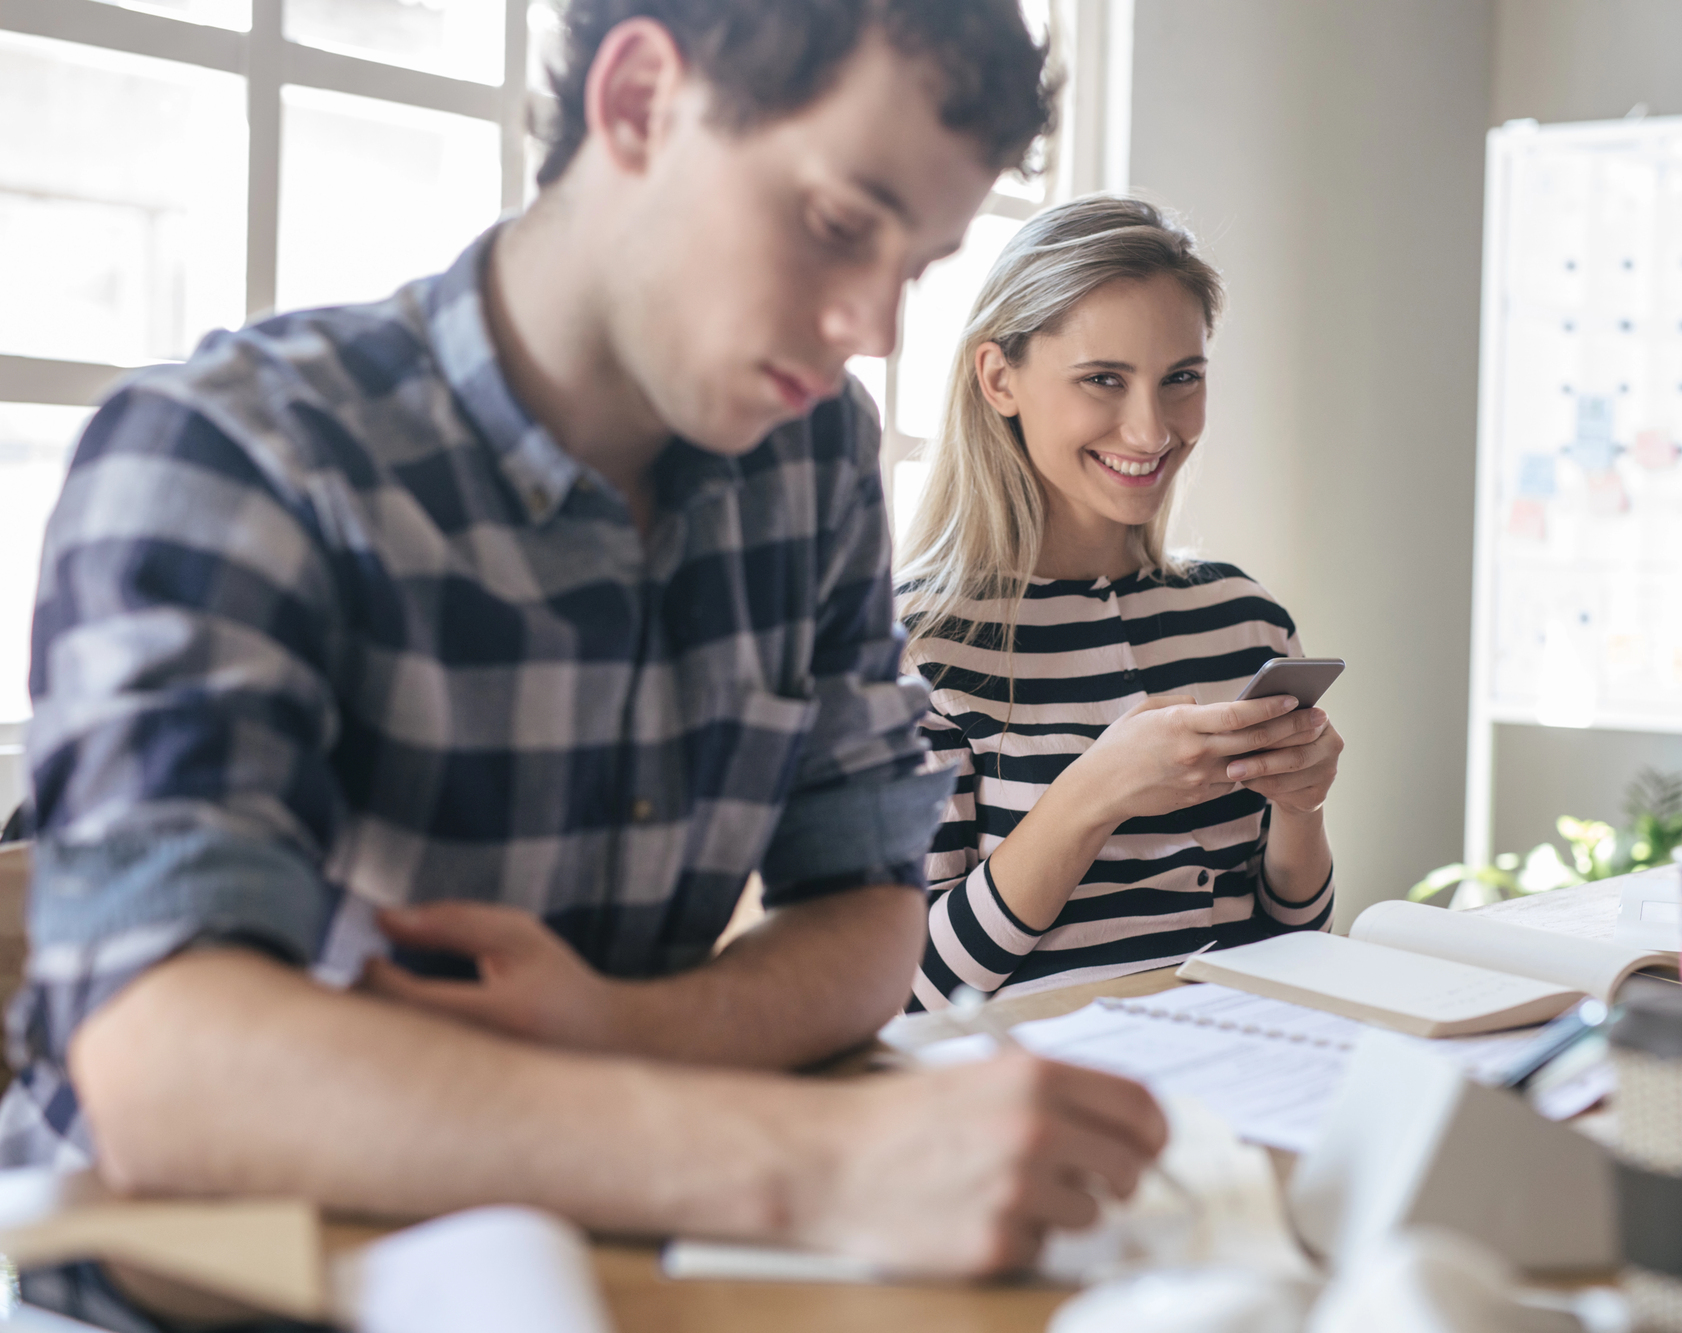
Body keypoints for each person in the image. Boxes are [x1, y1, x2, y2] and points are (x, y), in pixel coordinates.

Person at [5, 0, 1165, 1283]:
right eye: (839, 224)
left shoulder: (812, 456)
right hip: (205, 1290)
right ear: (636, 104)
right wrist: (809, 1164)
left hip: (605, 1264)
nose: (873, 327)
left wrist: (623, 1023)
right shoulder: (231, 455)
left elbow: (868, 911)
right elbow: (170, 1076)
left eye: (917, 264)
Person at [898, 197, 1343, 1011]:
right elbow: (909, 989)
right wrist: (1095, 790)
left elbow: (1295, 936)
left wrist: (1301, 807)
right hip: (1037, 1103)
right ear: (999, 378)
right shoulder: (919, 646)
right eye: (1104, 379)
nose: (1150, 430)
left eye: (1182, 379)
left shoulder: (1244, 617)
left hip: (1241, 1072)